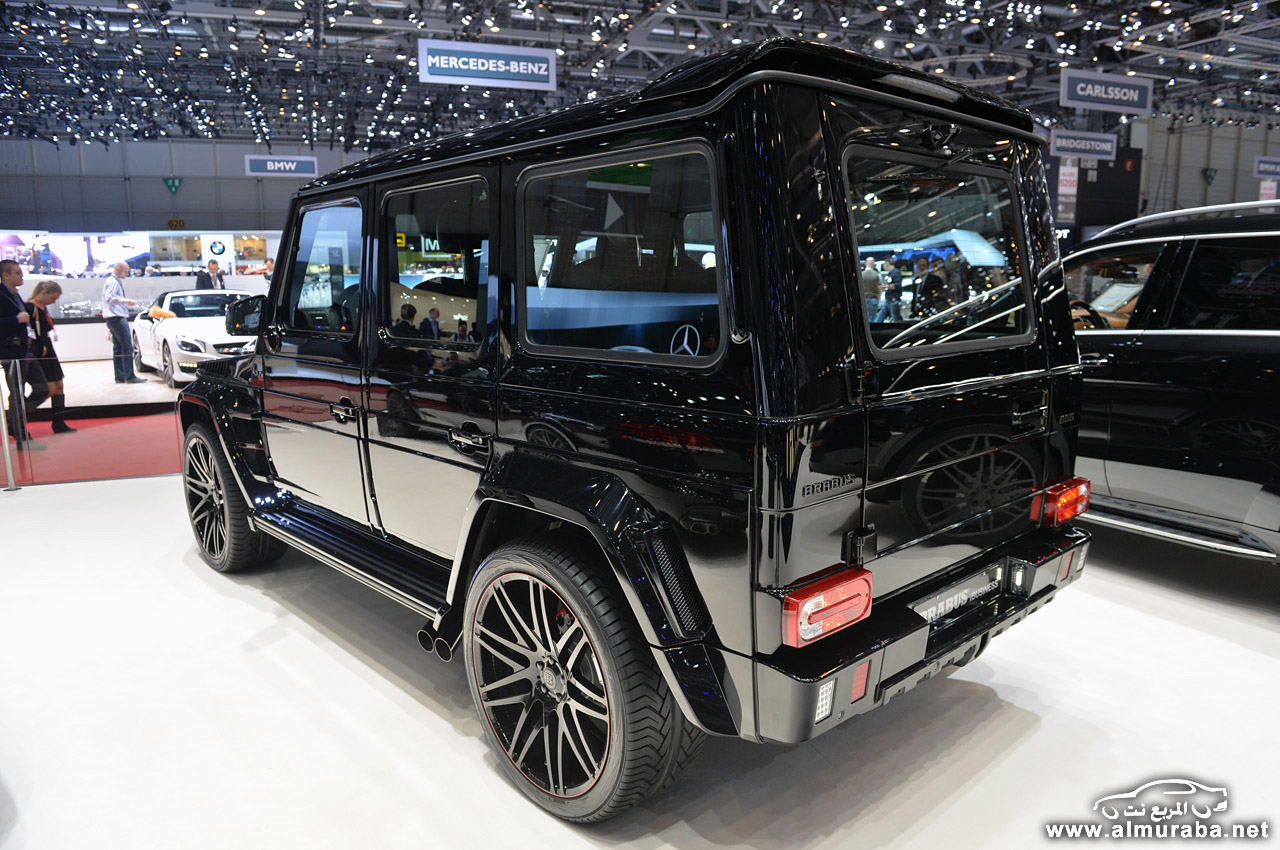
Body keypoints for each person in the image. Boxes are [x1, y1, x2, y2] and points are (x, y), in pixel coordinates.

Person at [1, 259, 50, 449]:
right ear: (6, 275)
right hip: (12, 353)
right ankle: (21, 435)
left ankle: (13, 420)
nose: (21, 276)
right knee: (17, 394)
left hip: (26, 349)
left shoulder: (15, 295)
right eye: (17, 273)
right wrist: (16, 319)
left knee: (42, 388)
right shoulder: (3, 295)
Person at [24, 280, 75, 433]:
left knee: (59, 386)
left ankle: (59, 423)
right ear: (44, 292)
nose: (53, 302)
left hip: (48, 349)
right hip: (40, 351)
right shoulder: (30, 307)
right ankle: (17, 417)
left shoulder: (42, 308)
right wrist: (39, 347)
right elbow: (30, 332)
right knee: (49, 389)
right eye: (52, 298)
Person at [103, 261, 143, 383]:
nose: (126, 274)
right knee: (126, 348)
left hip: (113, 319)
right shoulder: (113, 282)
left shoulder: (112, 281)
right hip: (117, 318)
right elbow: (109, 298)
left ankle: (120, 376)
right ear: (118, 269)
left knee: (118, 349)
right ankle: (129, 376)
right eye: (125, 271)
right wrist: (127, 301)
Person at [860, 256, 882, 321]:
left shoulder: (861, 274)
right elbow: (881, 286)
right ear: (873, 264)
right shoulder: (877, 274)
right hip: (874, 298)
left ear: (866, 264)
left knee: (863, 317)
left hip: (863, 299)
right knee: (872, 317)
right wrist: (879, 295)